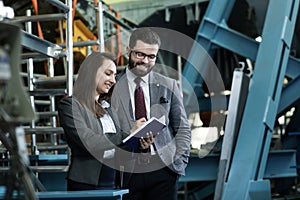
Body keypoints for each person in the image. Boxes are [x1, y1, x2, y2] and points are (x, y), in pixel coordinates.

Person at [111, 27, 191, 200]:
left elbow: (182, 128)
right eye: (140, 55)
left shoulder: (169, 85)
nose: (145, 61)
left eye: (151, 56)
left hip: (163, 170)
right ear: (128, 51)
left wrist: (178, 162)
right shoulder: (112, 87)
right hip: (127, 173)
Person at [58, 52, 151, 191]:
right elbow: (88, 141)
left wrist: (139, 144)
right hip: (86, 184)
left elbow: (117, 145)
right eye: (108, 74)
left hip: (113, 182)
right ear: (91, 73)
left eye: (114, 75)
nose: (113, 80)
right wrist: (128, 133)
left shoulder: (109, 108)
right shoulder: (70, 105)